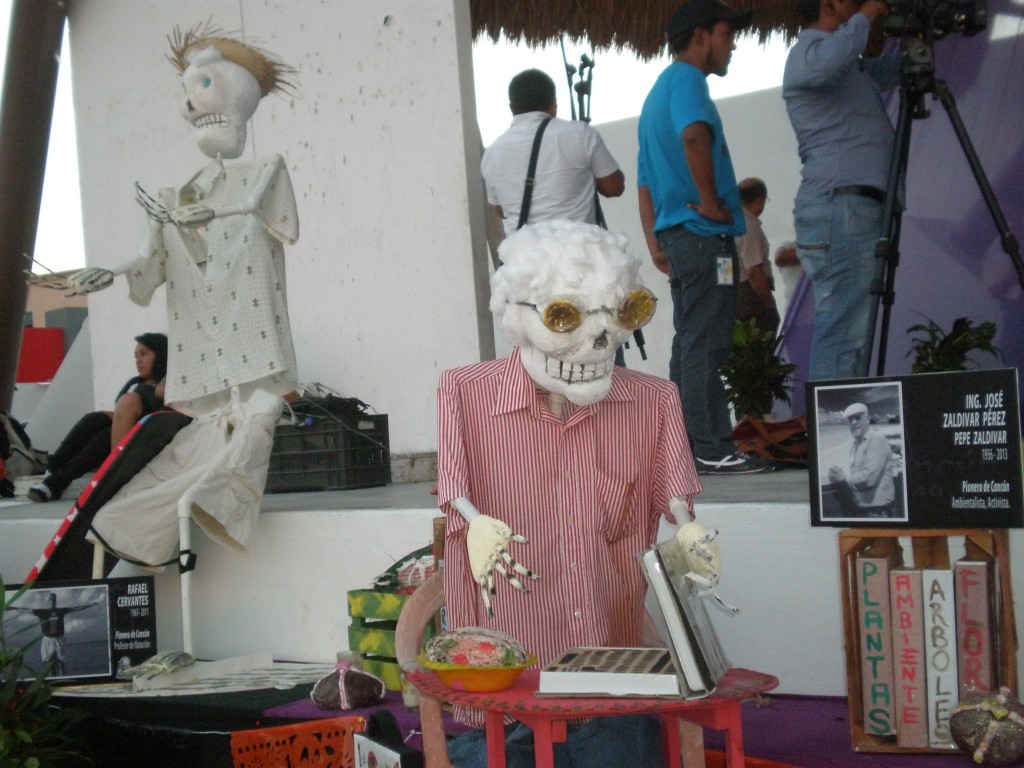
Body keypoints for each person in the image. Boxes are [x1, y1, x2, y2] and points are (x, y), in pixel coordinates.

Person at [438, 220, 701, 767]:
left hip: (614, 684)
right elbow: (453, 491)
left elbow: (675, 496)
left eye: (624, 314)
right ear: (519, 314)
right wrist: (472, 518)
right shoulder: (464, 393)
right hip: (504, 695)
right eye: (564, 318)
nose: (598, 341)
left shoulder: (654, 401)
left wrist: (688, 525)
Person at [64, 25, 300, 568]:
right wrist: (111, 271)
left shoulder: (265, 173)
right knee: (186, 464)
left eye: (206, 89)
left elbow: (276, 220)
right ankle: (139, 536)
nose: (192, 109)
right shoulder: (168, 201)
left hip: (253, 356)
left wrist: (216, 214)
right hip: (203, 362)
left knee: (230, 454)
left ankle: (164, 530)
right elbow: (148, 264)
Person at [637, 0, 772, 475]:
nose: (732, 43)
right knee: (706, 344)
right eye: (725, 33)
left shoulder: (657, 93)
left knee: (689, 342)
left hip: (680, 238)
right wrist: (713, 203)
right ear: (700, 36)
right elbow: (695, 136)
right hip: (702, 235)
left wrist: (655, 240)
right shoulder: (687, 81)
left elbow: (645, 183)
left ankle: (689, 447)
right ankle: (711, 448)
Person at [782, 0, 899, 381]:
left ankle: (832, 430)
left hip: (850, 208)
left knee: (849, 330)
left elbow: (888, 69)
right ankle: (831, 436)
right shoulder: (808, 55)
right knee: (843, 332)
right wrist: (868, 14)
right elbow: (830, 61)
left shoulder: (846, 66)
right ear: (830, 5)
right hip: (841, 207)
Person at [480, 68, 625, 238]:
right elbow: (614, 188)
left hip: (525, 259)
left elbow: (501, 210)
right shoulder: (580, 134)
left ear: (511, 108)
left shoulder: (491, 155)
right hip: (579, 255)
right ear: (554, 102)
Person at [28, 333, 167, 503]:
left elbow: (157, 411)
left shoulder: (165, 384)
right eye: (136, 355)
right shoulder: (137, 384)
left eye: (144, 354)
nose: (138, 360)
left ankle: (54, 481)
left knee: (103, 439)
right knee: (94, 419)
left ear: (160, 354)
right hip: (128, 435)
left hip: (147, 438)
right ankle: (53, 470)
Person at [8, 591, 103, 676]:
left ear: (55, 600)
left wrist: (90, 605)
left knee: (61, 662)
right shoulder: (41, 612)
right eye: (50, 599)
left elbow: (76, 608)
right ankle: (52, 682)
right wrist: (13, 608)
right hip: (48, 640)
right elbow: (26, 610)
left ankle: (63, 681)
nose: (52, 601)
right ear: (47, 601)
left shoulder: (60, 611)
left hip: (59, 639)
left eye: (53, 599)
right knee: (50, 664)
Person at [827, 402, 896, 516]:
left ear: (868, 420)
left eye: (858, 418)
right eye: (850, 420)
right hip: (864, 509)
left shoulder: (877, 440)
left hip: (879, 512)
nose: (854, 422)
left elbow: (868, 479)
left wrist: (843, 477)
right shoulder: (855, 446)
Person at [735, 177, 781, 335]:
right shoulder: (749, 226)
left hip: (734, 294)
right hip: (751, 297)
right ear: (760, 200)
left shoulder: (731, 222)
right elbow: (753, 271)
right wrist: (769, 304)